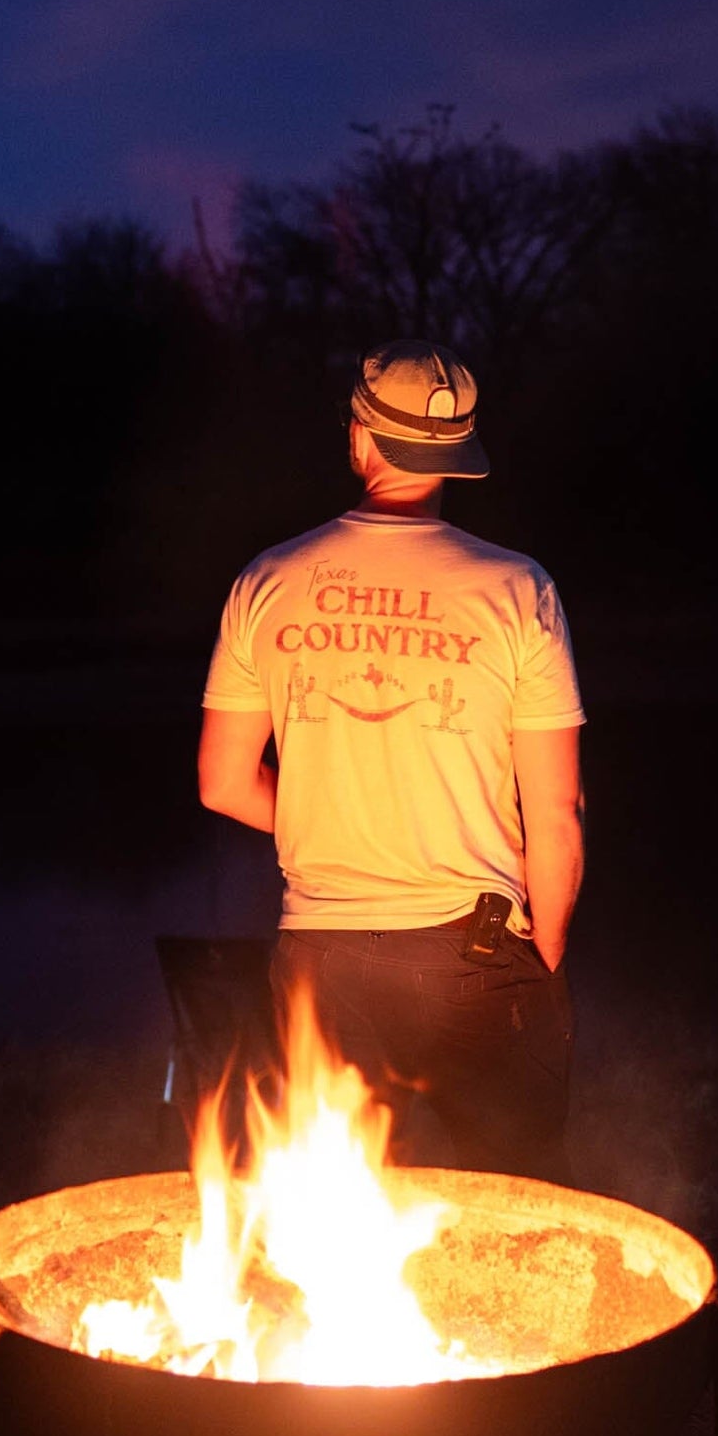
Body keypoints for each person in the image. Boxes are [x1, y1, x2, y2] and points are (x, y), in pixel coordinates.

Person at [197, 339, 586, 1182]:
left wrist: (328, 813)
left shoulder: (266, 581)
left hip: (321, 962)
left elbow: (223, 783)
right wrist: (542, 959)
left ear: (361, 441)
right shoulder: (521, 590)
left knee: (336, 1220)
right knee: (516, 1207)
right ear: (455, 458)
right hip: (475, 956)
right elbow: (556, 815)